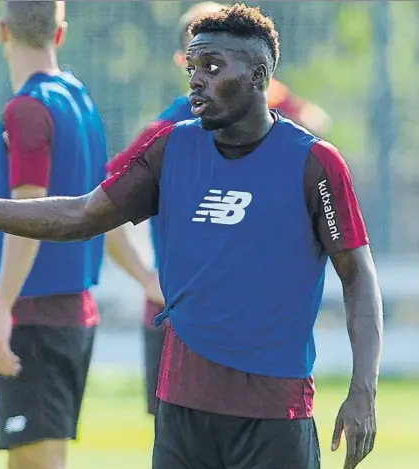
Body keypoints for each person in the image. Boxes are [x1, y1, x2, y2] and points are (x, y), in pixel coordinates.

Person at [0, 4, 382, 469]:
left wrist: (363, 391)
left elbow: (357, 276)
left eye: (212, 66)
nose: (196, 79)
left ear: (258, 76)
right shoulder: (170, 148)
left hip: (274, 410)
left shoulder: (313, 164)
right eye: (192, 66)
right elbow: (80, 215)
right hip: (183, 405)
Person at [104, 0, 332, 419]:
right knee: (182, 454)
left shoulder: (273, 125)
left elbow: (320, 128)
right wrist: (146, 279)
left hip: (258, 320)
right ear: (182, 61)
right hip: (177, 317)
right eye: (199, 60)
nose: (206, 73)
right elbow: (99, 208)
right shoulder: (163, 135)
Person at [0, 2, 106, 469]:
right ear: (60, 34)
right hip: (72, 312)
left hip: (37, 316)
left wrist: (2, 306)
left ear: (2, 31)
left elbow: (28, 213)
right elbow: (104, 206)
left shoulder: (26, 108)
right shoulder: (81, 100)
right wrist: (148, 279)